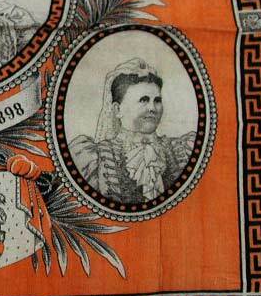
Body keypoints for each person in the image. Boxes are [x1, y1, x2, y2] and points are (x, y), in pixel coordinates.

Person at [69, 58, 194, 203]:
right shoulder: (92, 158)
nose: (152, 108)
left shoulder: (184, 150)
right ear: (117, 109)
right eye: (144, 100)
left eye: (157, 100)